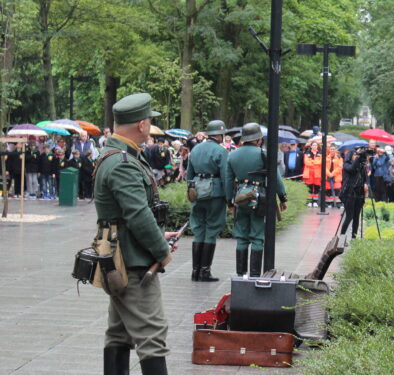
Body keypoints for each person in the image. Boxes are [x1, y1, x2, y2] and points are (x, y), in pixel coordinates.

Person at [95, 92, 177, 374]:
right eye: (149, 122)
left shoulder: (117, 156)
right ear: (141, 125)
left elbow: (129, 216)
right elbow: (138, 215)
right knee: (152, 336)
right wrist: (161, 251)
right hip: (133, 263)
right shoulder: (122, 162)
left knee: (119, 332)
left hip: (122, 256)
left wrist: (158, 236)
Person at [226, 123, 288, 277]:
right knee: (257, 237)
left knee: (241, 237)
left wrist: (230, 202)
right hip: (260, 198)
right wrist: (282, 197)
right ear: (258, 139)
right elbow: (276, 178)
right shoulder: (264, 154)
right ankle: (253, 276)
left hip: (240, 198)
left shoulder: (232, 155)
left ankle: (240, 275)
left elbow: (228, 181)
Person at [186, 120, 230, 282]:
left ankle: (195, 271)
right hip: (215, 194)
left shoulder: (195, 149)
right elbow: (226, 176)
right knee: (211, 229)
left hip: (197, 191)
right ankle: (205, 271)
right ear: (219, 135)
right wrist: (229, 198)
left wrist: (191, 190)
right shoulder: (221, 151)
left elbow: (189, 174)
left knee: (198, 229)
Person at [340, 147, 368, 239]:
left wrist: (366, 184)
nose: (356, 156)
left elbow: (365, 178)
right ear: (350, 156)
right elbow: (352, 169)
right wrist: (358, 159)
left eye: (357, 155)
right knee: (349, 216)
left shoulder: (361, 165)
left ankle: (354, 237)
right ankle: (342, 237)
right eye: (355, 155)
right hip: (349, 193)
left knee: (357, 217)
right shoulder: (346, 164)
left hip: (359, 193)